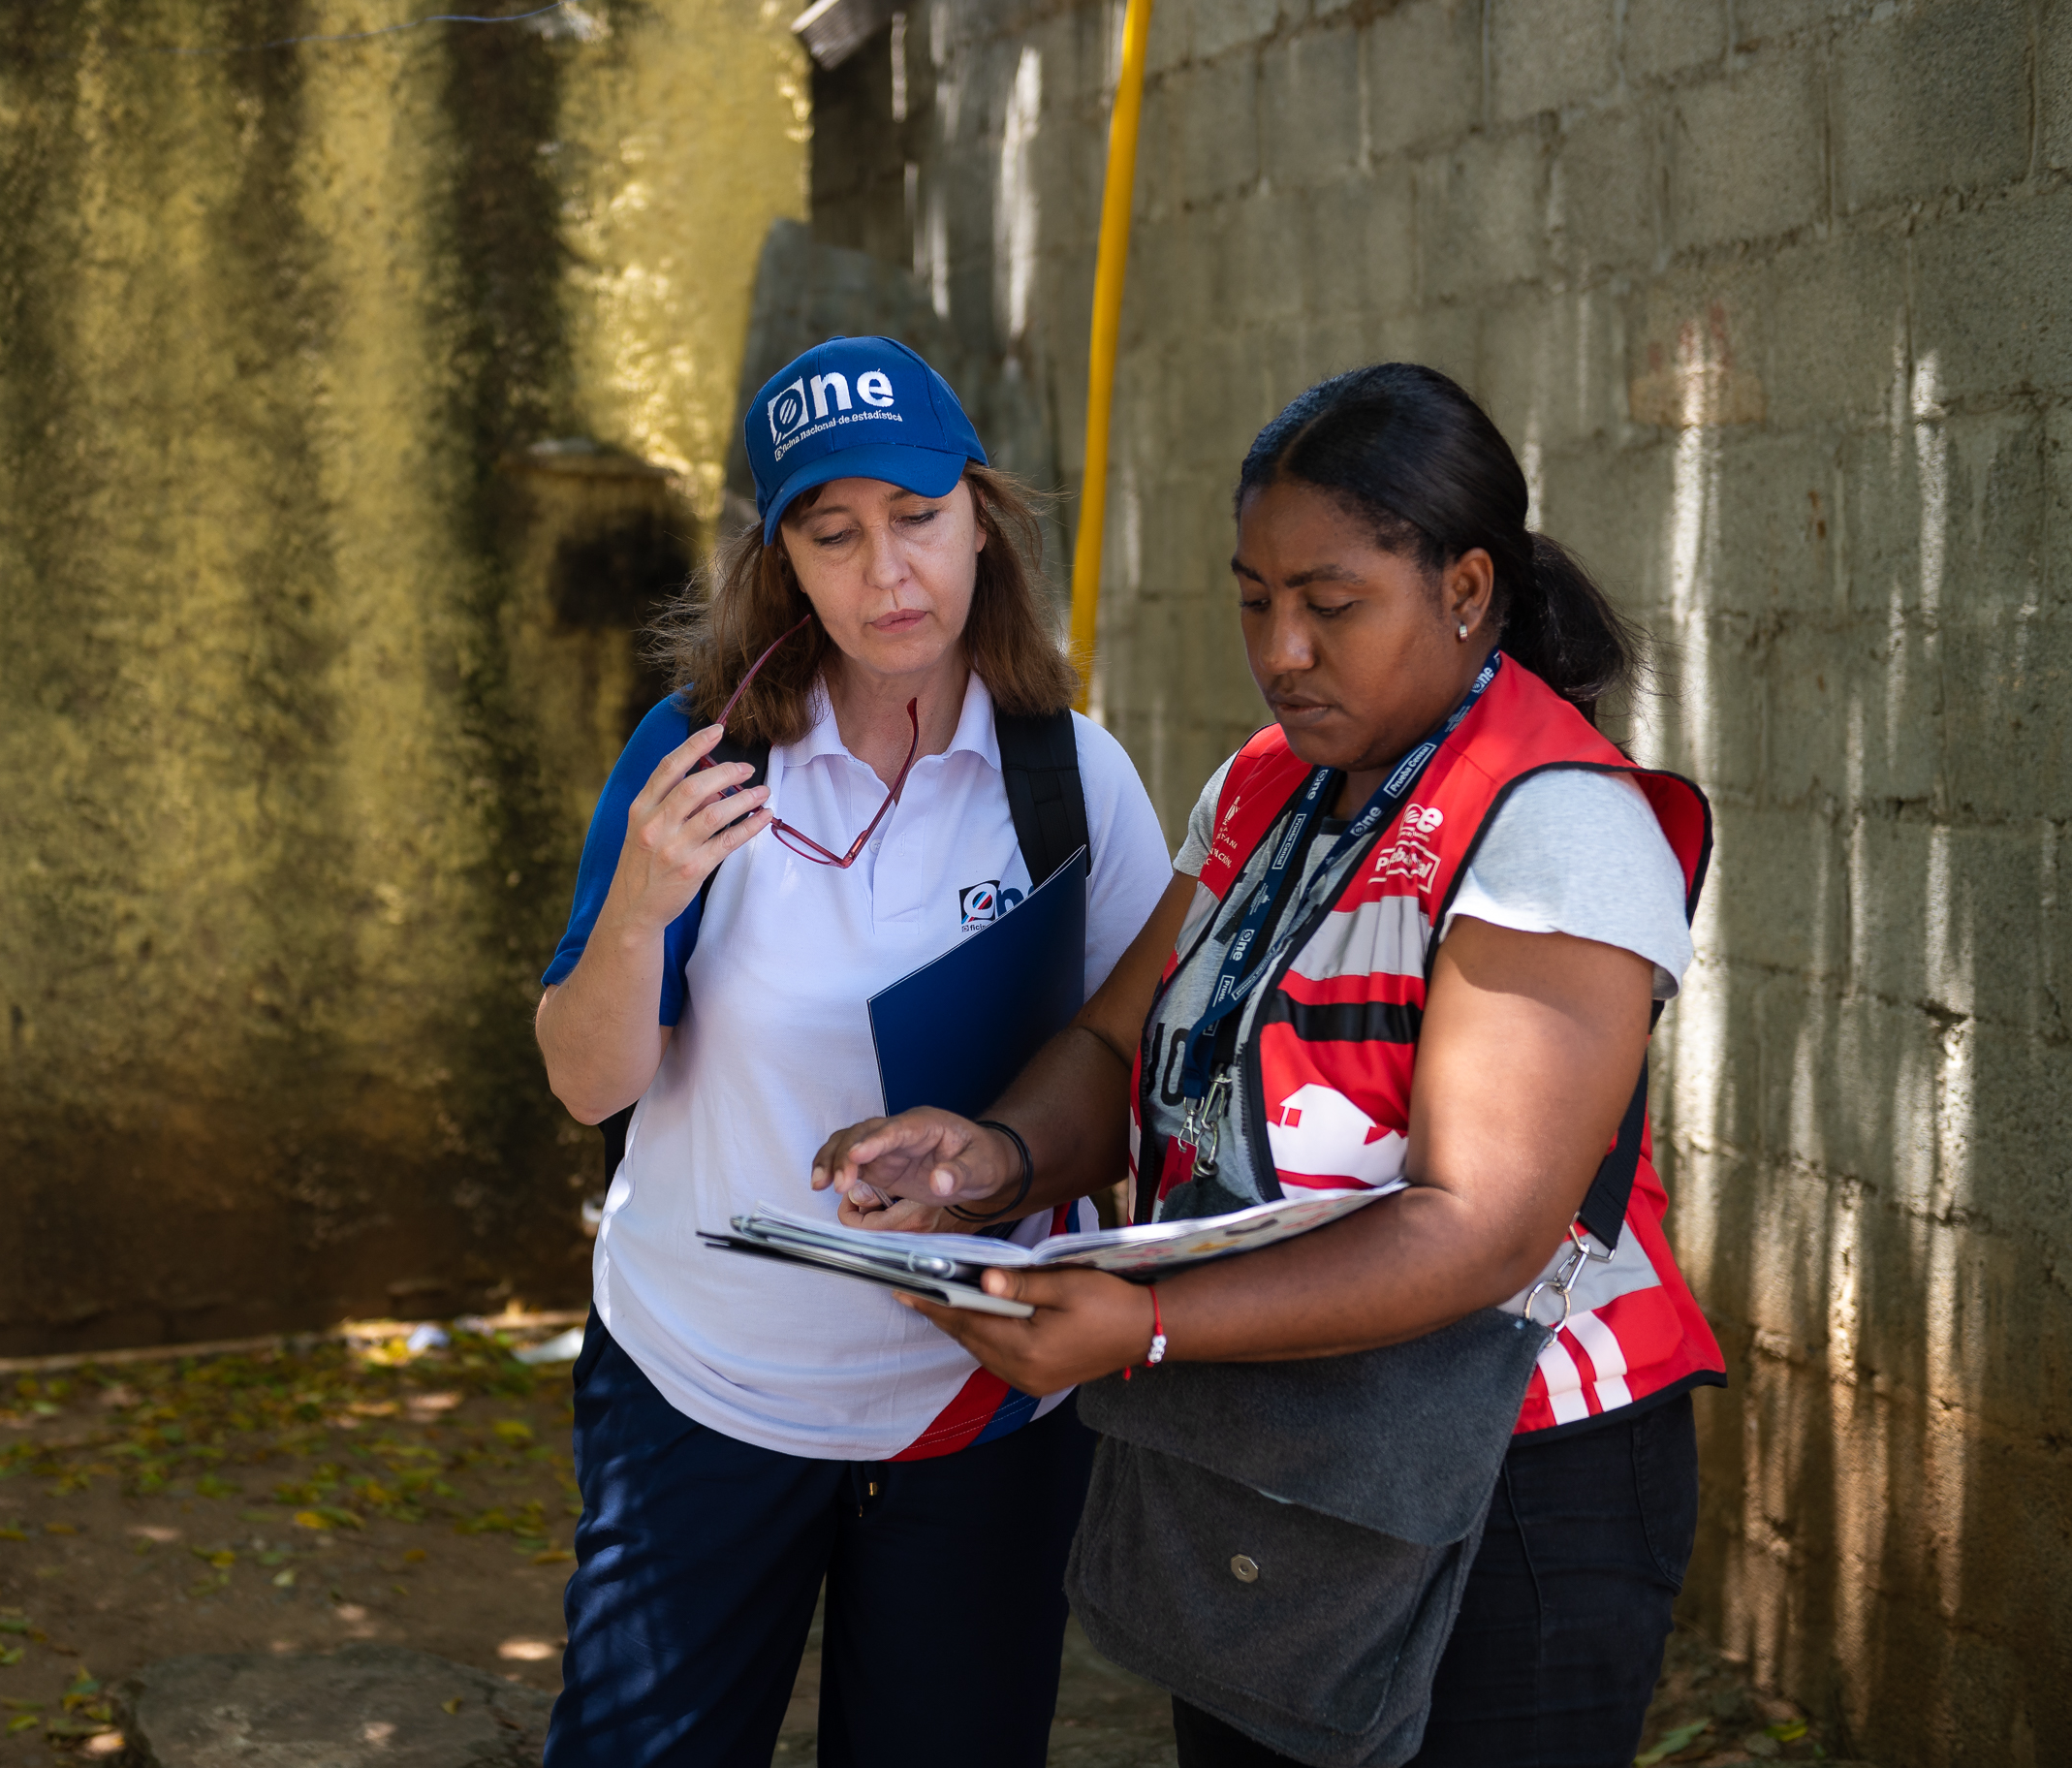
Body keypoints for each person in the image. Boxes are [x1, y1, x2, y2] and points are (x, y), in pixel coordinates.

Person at [813, 362, 1724, 1768]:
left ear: (1466, 588)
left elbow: (1478, 1225)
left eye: (1330, 604)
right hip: (1277, 1442)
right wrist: (986, 1156)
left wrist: (1147, 1326)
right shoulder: (1261, 789)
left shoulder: (1557, 825)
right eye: (1254, 600)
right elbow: (1118, 1040)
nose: (1282, 649)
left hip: (1512, 1475)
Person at [533, 335, 1172, 1767]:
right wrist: (640, 907)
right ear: (782, 565)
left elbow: (1130, 1058)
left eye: (917, 520)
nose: (887, 573)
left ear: (979, 523)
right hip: (703, 1385)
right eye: (834, 534)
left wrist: (1000, 1164)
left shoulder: (1068, 773)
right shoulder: (698, 758)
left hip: (974, 1402)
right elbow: (587, 1081)